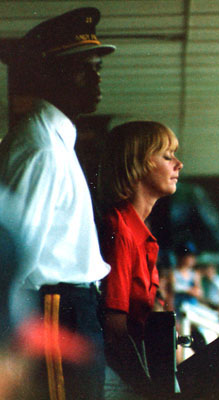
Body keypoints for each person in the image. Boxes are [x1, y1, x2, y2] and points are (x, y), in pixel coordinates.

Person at [0, 8, 115, 400]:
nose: (97, 77)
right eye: (84, 68)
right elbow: (15, 255)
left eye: (98, 66)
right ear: (52, 76)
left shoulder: (55, 140)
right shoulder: (42, 148)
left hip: (71, 308)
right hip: (55, 310)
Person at [97, 121, 183, 397]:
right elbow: (115, 326)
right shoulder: (119, 229)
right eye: (167, 157)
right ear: (137, 165)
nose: (178, 164)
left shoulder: (136, 230)